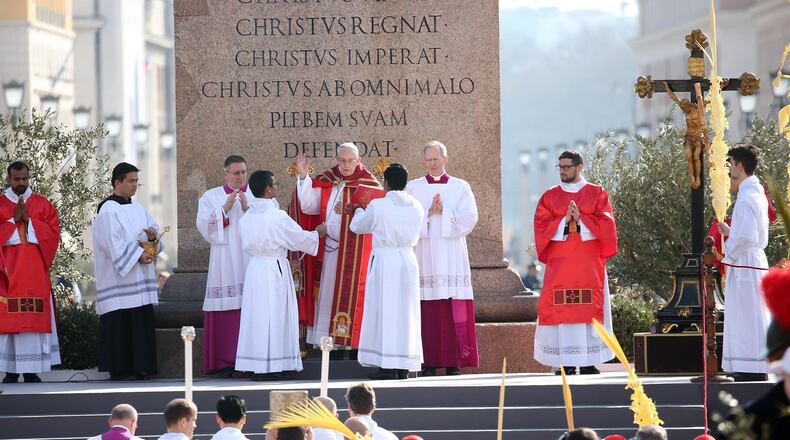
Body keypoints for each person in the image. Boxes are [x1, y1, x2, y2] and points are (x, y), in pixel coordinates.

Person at [533, 151, 617, 375]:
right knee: (562, 312)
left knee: (588, 311)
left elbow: (608, 225)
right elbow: (541, 226)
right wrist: (564, 221)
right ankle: (565, 362)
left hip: (589, 264)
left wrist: (582, 219)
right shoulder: (550, 197)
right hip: (560, 265)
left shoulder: (596, 193)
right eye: (559, 166)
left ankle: (588, 361)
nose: (562, 170)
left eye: (567, 167)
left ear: (579, 167)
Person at [293, 143, 382, 349]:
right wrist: (304, 177)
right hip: (330, 251)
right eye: (342, 160)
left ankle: (351, 343)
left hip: (356, 253)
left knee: (353, 295)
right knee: (327, 294)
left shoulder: (369, 185)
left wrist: (352, 209)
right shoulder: (330, 180)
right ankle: (327, 343)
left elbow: (375, 215)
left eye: (351, 160)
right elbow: (308, 205)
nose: (346, 164)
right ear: (337, 160)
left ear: (359, 160)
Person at [235, 171, 320, 381]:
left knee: (258, 316)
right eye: (275, 184)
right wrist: (318, 233)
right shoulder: (276, 216)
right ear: (268, 189)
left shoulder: (247, 217)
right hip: (273, 268)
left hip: (255, 269)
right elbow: (299, 238)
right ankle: (273, 364)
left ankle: (258, 363)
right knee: (275, 315)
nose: (277, 187)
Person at [404, 141, 480, 376]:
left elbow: (470, 218)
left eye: (436, 159)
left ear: (445, 159)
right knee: (426, 309)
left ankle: (453, 362)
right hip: (425, 254)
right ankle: (427, 362)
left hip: (451, 255)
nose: (432, 163)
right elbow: (406, 219)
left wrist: (444, 213)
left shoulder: (460, 186)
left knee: (451, 307)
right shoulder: (413, 188)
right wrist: (428, 214)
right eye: (428, 159)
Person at [351, 164, 424, 380]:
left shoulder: (379, 205)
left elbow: (359, 227)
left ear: (386, 183)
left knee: (386, 310)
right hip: (408, 259)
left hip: (386, 259)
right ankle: (403, 364)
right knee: (406, 312)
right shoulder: (417, 206)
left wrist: (357, 211)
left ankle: (387, 364)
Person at [92, 162, 160, 380]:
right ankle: (120, 369)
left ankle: (141, 367)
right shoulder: (108, 210)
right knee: (121, 323)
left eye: (136, 181)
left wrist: (152, 239)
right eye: (130, 181)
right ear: (117, 182)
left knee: (139, 322)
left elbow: (154, 232)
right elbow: (113, 244)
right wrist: (138, 254)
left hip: (138, 275)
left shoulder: (139, 208)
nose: (134, 185)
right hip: (118, 280)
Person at [0, 161, 61, 383]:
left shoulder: (42, 205)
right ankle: (11, 371)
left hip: (34, 271)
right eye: (17, 179)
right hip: (8, 273)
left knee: (33, 319)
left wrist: (31, 222)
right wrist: (11, 222)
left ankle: (32, 370)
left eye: (25, 179)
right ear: (9, 179)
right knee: (10, 321)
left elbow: (54, 235)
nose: (21, 183)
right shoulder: (0, 204)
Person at [717, 145, 771, 382]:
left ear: (739, 166)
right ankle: (751, 364)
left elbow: (747, 235)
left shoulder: (748, 196)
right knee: (750, 313)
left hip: (746, 261)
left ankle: (751, 366)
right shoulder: (754, 192)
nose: (729, 170)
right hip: (751, 259)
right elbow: (748, 231)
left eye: (731, 165)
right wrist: (731, 231)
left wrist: (728, 248)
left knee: (747, 314)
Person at [196, 155, 253, 377]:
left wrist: (250, 211)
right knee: (226, 309)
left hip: (250, 261)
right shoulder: (212, 196)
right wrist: (223, 211)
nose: (240, 177)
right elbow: (203, 226)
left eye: (243, 172)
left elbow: (269, 222)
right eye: (236, 173)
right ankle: (224, 362)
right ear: (226, 174)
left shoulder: (256, 194)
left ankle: (249, 360)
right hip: (224, 261)